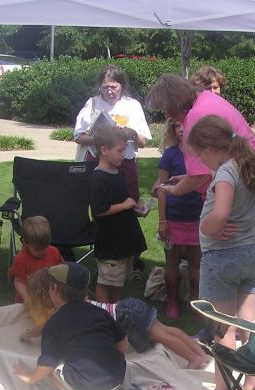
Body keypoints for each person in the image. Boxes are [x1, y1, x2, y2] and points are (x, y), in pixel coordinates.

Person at [146, 74, 255, 318]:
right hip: (250, 223)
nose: (167, 115)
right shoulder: (208, 101)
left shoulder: (200, 124)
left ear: (209, 150)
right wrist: (247, 223)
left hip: (225, 257)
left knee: (224, 317)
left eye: (167, 108)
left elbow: (200, 178)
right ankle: (254, 339)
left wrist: (204, 222)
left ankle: (225, 341)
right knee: (254, 282)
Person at [161, 115, 255, 390]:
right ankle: (254, 379)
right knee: (248, 322)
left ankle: (222, 386)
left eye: (199, 156)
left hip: (221, 258)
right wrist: (242, 222)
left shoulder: (226, 172)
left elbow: (219, 213)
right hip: (248, 253)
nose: (201, 162)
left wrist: (208, 227)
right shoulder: (254, 165)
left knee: (223, 329)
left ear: (210, 149)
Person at [23, 268, 210, 369]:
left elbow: (44, 327)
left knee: (161, 336)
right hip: (128, 306)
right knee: (166, 330)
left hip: (125, 316)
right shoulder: (79, 300)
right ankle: (199, 353)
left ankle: (192, 358)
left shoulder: (63, 312)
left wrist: (27, 334)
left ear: (53, 292)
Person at [13, 262, 129, 390]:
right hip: (116, 379)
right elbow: (122, 340)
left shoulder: (53, 324)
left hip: (84, 386)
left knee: (54, 368)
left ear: (54, 289)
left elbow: (47, 364)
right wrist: (113, 359)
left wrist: (29, 378)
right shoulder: (100, 312)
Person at [73, 64, 152, 203]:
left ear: (121, 85)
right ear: (100, 87)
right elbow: (78, 137)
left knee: (129, 205)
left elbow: (142, 142)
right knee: (101, 206)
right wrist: (101, 139)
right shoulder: (92, 104)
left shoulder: (132, 105)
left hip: (125, 166)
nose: (109, 91)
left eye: (113, 87)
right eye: (105, 87)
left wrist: (131, 132)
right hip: (99, 165)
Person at [152, 119, 203, 319]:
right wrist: (162, 220)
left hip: (198, 218)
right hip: (174, 218)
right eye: (177, 126)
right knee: (172, 262)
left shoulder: (201, 153)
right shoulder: (170, 155)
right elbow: (161, 187)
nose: (181, 129)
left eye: (185, 124)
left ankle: (195, 301)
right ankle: (172, 302)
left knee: (196, 263)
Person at [90, 126, 147, 303]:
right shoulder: (99, 177)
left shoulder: (116, 171)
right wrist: (124, 205)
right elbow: (99, 210)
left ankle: (113, 310)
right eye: (120, 150)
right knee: (106, 282)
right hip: (110, 242)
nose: (123, 154)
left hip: (122, 238)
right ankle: (103, 312)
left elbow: (120, 202)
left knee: (117, 282)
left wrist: (133, 208)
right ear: (104, 150)